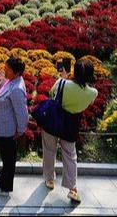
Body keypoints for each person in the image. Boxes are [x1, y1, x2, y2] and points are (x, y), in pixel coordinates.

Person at [42, 59, 98, 203]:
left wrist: (64, 78)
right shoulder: (92, 93)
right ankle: (72, 189)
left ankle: (49, 180)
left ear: (75, 71)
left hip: (54, 122)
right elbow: (87, 99)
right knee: (70, 156)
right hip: (71, 125)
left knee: (49, 150)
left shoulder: (62, 83)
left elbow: (51, 93)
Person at [0, 57, 28, 197]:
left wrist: (21, 131)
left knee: (9, 159)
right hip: (4, 126)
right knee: (6, 155)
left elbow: (22, 112)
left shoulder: (16, 89)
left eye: (8, 69)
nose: (5, 69)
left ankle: (4, 188)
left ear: (16, 73)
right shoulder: (12, 81)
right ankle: (4, 174)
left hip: (10, 130)